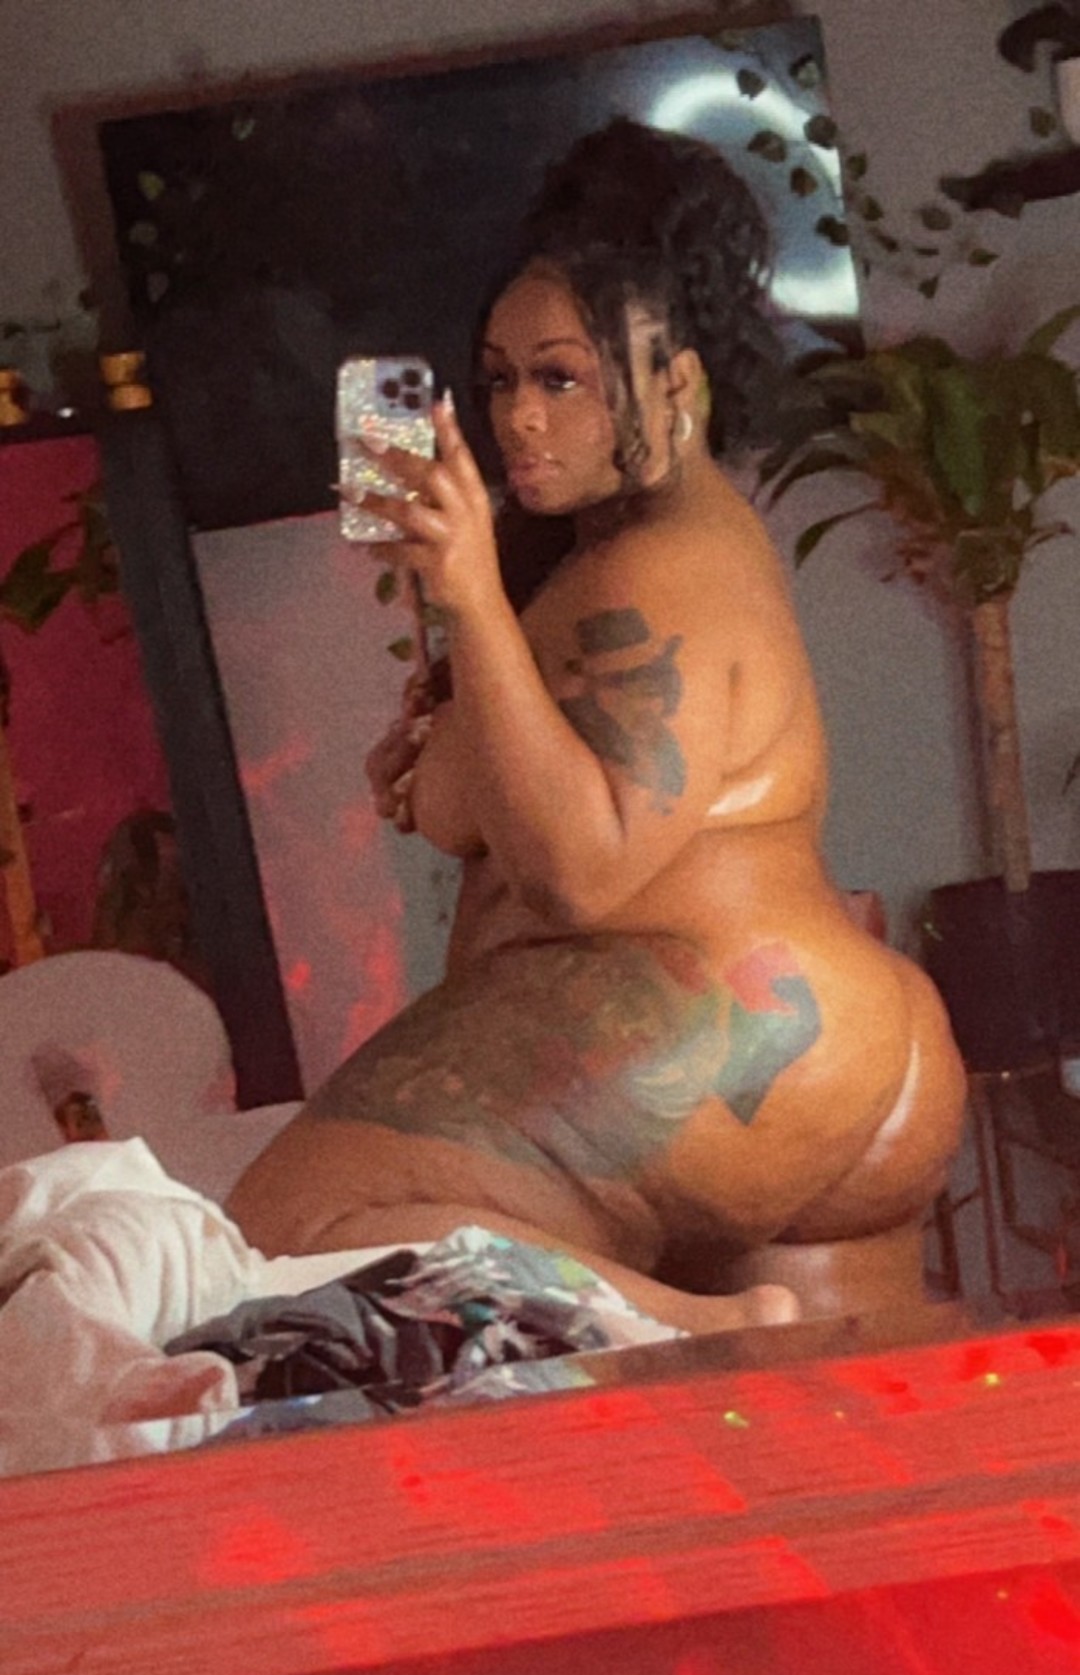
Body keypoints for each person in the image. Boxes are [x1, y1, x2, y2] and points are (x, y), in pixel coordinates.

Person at [227, 118, 967, 1333]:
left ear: (677, 380)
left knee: (285, 1231)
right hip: (809, 1060)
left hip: (727, 1036)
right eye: (501, 377)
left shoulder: (657, 569)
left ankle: (704, 1327)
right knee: (819, 1427)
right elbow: (486, 807)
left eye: (561, 378)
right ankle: (724, 1335)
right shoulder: (627, 554)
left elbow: (580, 869)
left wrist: (473, 593)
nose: (520, 416)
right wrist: (445, 711)